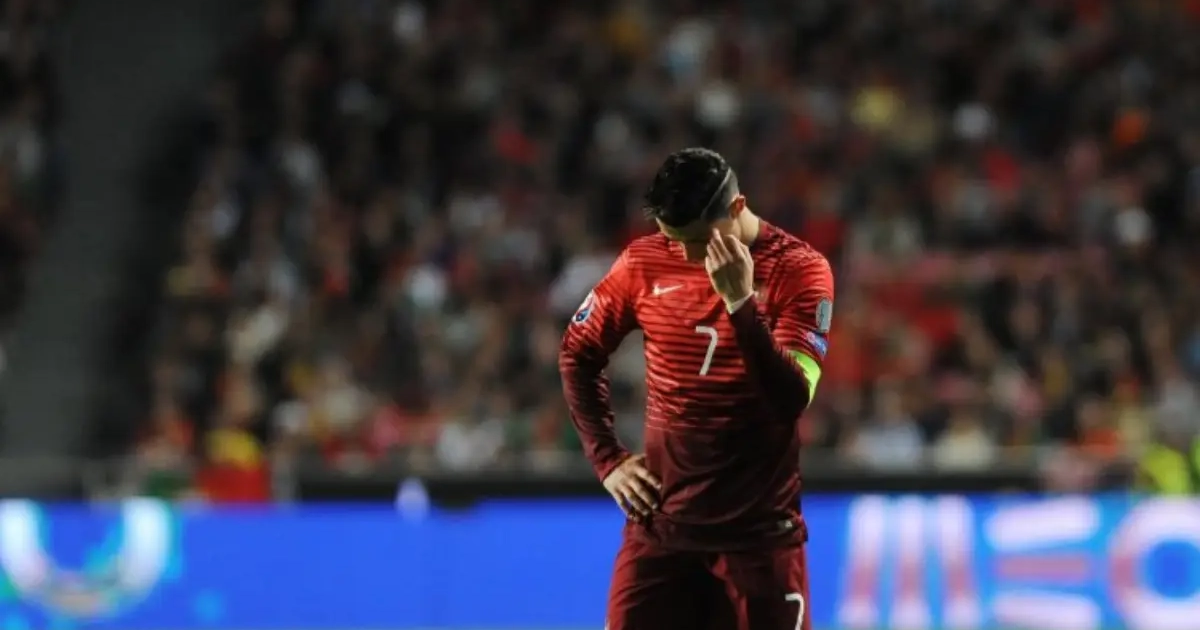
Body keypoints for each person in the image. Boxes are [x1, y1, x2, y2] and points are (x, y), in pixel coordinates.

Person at [559, 148, 834, 630]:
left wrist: (741, 304)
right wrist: (608, 460)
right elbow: (577, 354)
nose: (686, 254)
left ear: (737, 208)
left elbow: (790, 399)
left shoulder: (799, 271)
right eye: (674, 239)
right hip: (663, 530)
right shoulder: (644, 262)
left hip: (758, 537)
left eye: (698, 240)